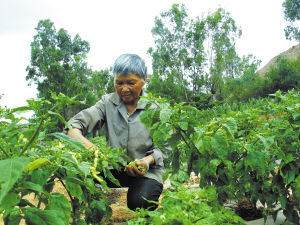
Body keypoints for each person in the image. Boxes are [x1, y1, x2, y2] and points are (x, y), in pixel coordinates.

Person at [66, 53, 169, 211]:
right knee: (77, 176)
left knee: (140, 202)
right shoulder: (107, 103)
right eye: (119, 83)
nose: (124, 89)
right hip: (113, 169)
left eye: (131, 83)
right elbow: (73, 127)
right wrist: (88, 146)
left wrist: (147, 161)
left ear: (144, 79)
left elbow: (166, 148)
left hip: (146, 172)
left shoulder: (156, 109)